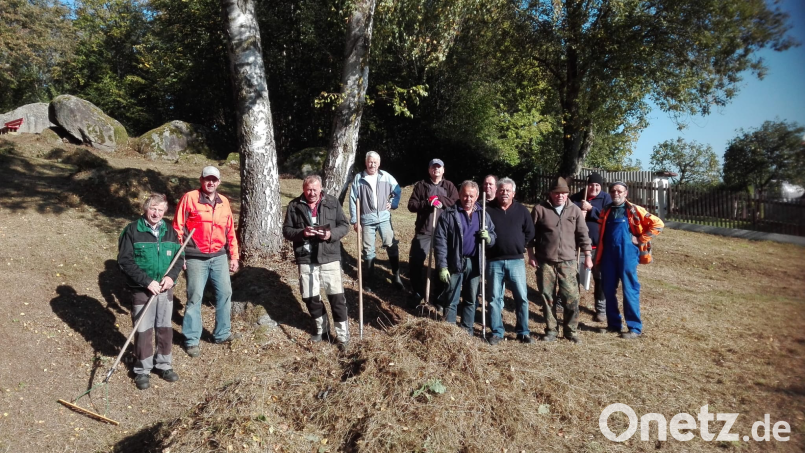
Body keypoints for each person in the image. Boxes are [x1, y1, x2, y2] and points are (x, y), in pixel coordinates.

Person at [117, 193, 184, 390]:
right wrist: (147, 282)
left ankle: (164, 365)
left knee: (164, 328)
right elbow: (125, 261)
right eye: (153, 208)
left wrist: (171, 277)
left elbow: (179, 258)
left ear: (165, 212)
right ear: (146, 209)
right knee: (143, 330)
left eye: (160, 210)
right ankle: (142, 370)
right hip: (142, 290)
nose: (156, 213)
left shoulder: (169, 231)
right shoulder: (132, 231)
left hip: (164, 290)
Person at [173, 166, 240, 358]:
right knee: (195, 297)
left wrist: (234, 256)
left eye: (214, 180)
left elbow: (230, 231)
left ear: (219, 182)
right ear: (201, 180)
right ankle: (192, 339)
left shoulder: (224, 202)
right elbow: (177, 228)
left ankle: (222, 333)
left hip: (219, 256)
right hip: (195, 256)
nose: (211, 183)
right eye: (207, 179)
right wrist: (180, 255)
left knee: (225, 293)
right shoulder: (190, 198)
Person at [283, 175, 351, 348]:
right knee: (309, 296)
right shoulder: (294, 205)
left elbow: (344, 225)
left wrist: (330, 234)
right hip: (306, 257)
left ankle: (343, 337)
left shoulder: (332, 202)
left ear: (321, 189)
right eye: (308, 189)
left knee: (336, 297)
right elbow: (287, 231)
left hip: (329, 255)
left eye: (315, 189)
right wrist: (302, 233)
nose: (311, 193)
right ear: (303, 189)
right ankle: (322, 329)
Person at [595, 182, 664, 339]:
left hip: (627, 255)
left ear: (626, 193)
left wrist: (641, 238)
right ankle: (613, 325)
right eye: (613, 191)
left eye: (619, 191)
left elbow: (658, 224)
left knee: (629, 289)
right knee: (608, 290)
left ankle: (634, 328)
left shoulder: (634, 210)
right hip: (608, 256)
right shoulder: (606, 210)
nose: (616, 194)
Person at [527, 177, 592, 344]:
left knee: (571, 297)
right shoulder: (540, 209)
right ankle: (551, 330)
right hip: (545, 261)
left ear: (567, 194)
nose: (560, 196)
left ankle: (570, 331)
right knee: (547, 297)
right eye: (557, 193)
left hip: (568, 261)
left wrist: (588, 256)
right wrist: (531, 254)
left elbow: (583, 235)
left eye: (563, 193)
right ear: (551, 193)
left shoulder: (574, 210)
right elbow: (529, 234)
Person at [433, 181, 496, 336]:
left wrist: (489, 239)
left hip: (475, 262)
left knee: (471, 299)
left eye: (471, 196)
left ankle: (467, 331)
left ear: (476, 197)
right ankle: (450, 331)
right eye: (465, 195)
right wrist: (442, 266)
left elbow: (493, 234)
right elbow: (440, 242)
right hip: (455, 261)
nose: (468, 199)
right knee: (451, 298)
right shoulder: (449, 214)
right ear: (460, 195)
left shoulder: (483, 214)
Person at [485, 178, 535, 345]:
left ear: (513, 193)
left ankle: (523, 331)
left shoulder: (522, 210)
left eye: (508, 190)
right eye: (501, 190)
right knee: (494, 298)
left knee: (521, 296)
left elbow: (530, 232)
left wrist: (520, 244)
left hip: (516, 261)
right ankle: (497, 331)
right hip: (494, 260)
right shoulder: (488, 210)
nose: (504, 193)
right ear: (496, 192)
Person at [407, 159, 459, 305]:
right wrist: (428, 202)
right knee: (416, 262)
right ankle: (417, 292)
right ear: (429, 170)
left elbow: (456, 202)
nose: (436, 170)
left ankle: (439, 296)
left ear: (443, 170)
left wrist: (441, 199)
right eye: (433, 167)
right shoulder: (421, 185)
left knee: (442, 264)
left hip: (443, 233)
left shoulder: (449, 186)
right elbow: (411, 205)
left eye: (439, 167)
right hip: (424, 231)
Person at [349, 151, 403, 293]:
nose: (372, 164)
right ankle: (370, 281)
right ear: (366, 162)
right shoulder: (359, 178)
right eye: (370, 162)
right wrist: (355, 220)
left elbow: (397, 190)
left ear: (379, 163)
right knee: (368, 250)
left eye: (375, 162)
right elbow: (353, 200)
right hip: (367, 220)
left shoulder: (386, 176)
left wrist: (392, 203)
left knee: (391, 244)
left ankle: (396, 276)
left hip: (384, 218)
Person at [570, 172, 612, 322]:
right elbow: (567, 211)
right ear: (586, 185)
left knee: (600, 278)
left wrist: (591, 209)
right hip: (578, 246)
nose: (594, 188)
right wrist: (578, 211)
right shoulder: (576, 198)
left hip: (599, 247)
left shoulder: (606, 198)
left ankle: (600, 309)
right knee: (573, 276)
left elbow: (608, 216)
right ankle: (567, 303)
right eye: (591, 185)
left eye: (597, 185)